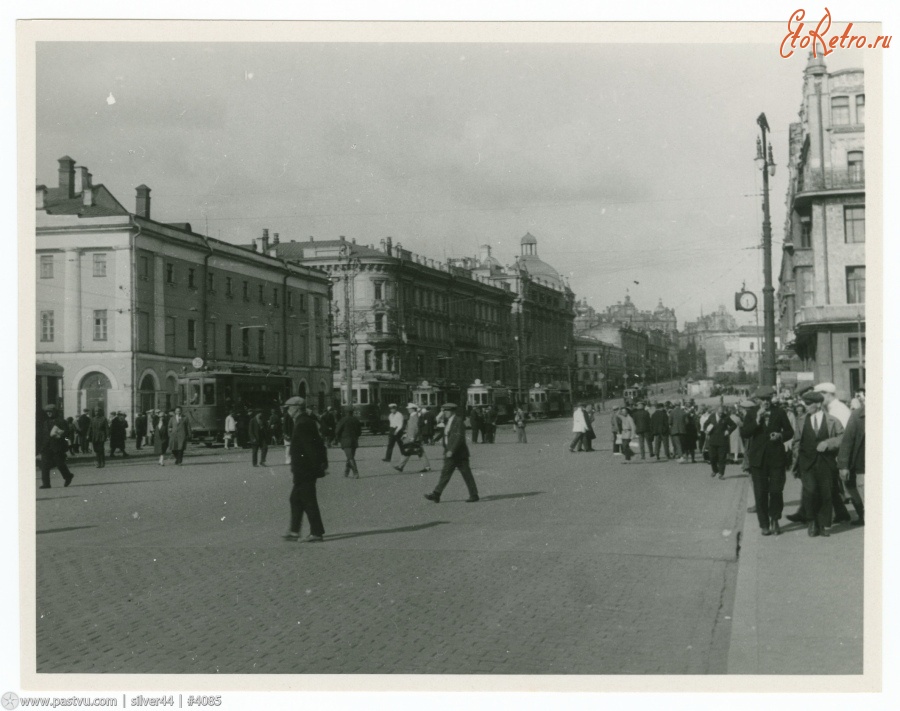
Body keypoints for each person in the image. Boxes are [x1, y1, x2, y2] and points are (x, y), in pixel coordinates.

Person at [741, 386, 794, 536]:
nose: (766, 402)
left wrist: (780, 435)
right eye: (763, 400)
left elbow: (790, 431)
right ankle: (764, 524)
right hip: (758, 460)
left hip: (777, 458)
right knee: (760, 493)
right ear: (757, 400)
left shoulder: (779, 412)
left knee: (776, 491)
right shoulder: (751, 413)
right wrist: (757, 420)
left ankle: (775, 519)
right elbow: (744, 433)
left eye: (768, 399)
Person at [791, 390, 845, 538]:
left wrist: (828, 443)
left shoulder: (833, 420)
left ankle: (822, 525)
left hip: (826, 463)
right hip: (806, 463)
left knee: (826, 493)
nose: (806, 407)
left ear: (819, 404)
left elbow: (842, 437)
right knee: (810, 492)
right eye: (805, 404)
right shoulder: (801, 421)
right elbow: (796, 441)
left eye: (809, 404)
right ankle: (812, 521)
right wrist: (798, 454)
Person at [282, 396, 328, 543]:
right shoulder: (305, 421)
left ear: (296, 408)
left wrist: (316, 469)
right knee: (295, 499)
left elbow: (311, 449)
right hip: (303, 470)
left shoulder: (302, 423)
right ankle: (294, 531)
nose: (287, 410)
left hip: (305, 471)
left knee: (308, 501)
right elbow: (319, 445)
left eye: (289, 407)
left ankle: (316, 533)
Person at [424, 403, 479, 504]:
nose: (445, 413)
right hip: (451, 452)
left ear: (453, 411)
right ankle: (436, 494)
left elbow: (459, 437)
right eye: (444, 411)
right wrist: (436, 439)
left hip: (458, 453)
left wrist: (451, 450)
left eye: (447, 411)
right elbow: (445, 433)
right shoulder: (449, 421)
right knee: (445, 473)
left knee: (466, 474)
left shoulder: (458, 421)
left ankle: (474, 495)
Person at [836, 401, 865, 526]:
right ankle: (862, 516)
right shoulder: (857, 415)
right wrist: (843, 465)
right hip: (861, 465)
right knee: (856, 490)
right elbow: (847, 441)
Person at [38, 404, 74, 489]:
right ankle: (46, 484)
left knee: (60, 463)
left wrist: (60, 435)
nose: (49, 414)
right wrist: (41, 447)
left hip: (58, 446)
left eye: (50, 412)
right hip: (46, 447)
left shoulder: (61, 421)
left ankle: (68, 476)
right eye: (47, 412)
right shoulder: (46, 422)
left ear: (55, 412)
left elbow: (67, 433)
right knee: (44, 465)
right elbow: (43, 435)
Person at [395, 403, 432, 473]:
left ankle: (400, 466)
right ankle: (427, 467)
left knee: (410, 451)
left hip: (413, 438)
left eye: (409, 409)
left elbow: (415, 428)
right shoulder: (413, 415)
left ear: (412, 409)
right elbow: (410, 427)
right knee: (417, 452)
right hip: (412, 437)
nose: (408, 410)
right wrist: (406, 434)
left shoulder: (414, 416)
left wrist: (412, 437)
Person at [704, 404, 737, 479]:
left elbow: (734, 425)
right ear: (716, 411)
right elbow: (705, 424)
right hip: (712, 440)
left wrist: (728, 431)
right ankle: (715, 470)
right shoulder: (712, 416)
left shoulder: (726, 417)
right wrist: (706, 430)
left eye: (722, 412)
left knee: (722, 458)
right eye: (720, 413)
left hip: (722, 441)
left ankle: (721, 474)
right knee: (712, 457)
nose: (721, 414)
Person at [334, 406, 362, 478]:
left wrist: (337, 439)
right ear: (352, 412)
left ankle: (355, 473)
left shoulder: (343, 420)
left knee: (350, 457)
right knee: (350, 456)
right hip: (354, 441)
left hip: (346, 441)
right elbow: (359, 432)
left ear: (345, 412)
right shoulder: (356, 420)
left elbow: (337, 431)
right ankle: (346, 472)